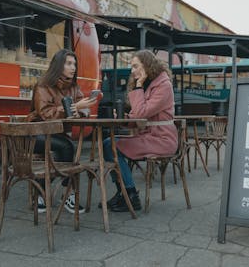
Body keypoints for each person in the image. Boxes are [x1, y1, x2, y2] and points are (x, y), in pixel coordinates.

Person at [102, 50, 178, 212]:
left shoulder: (164, 86)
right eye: (132, 66)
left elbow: (142, 113)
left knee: (111, 145)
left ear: (147, 65)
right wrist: (123, 117)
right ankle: (124, 192)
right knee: (109, 143)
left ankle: (129, 195)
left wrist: (137, 86)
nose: (132, 70)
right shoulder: (148, 84)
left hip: (162, 140)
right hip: (149, 136)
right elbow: (139, 117)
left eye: (135, 66)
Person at [26, 49, 98, 213]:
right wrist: (73, 108)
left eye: (74, 64)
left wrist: (80, 109)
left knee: (65, 147)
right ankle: (66, 194)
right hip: (35, 133)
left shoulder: (73, 87)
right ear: (58, 65)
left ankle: (43, 193)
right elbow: (46, 114)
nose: (73, 67)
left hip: (56, 134)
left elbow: (85, 110)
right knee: (67, 147)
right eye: (68, 63)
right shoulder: (43, 85)